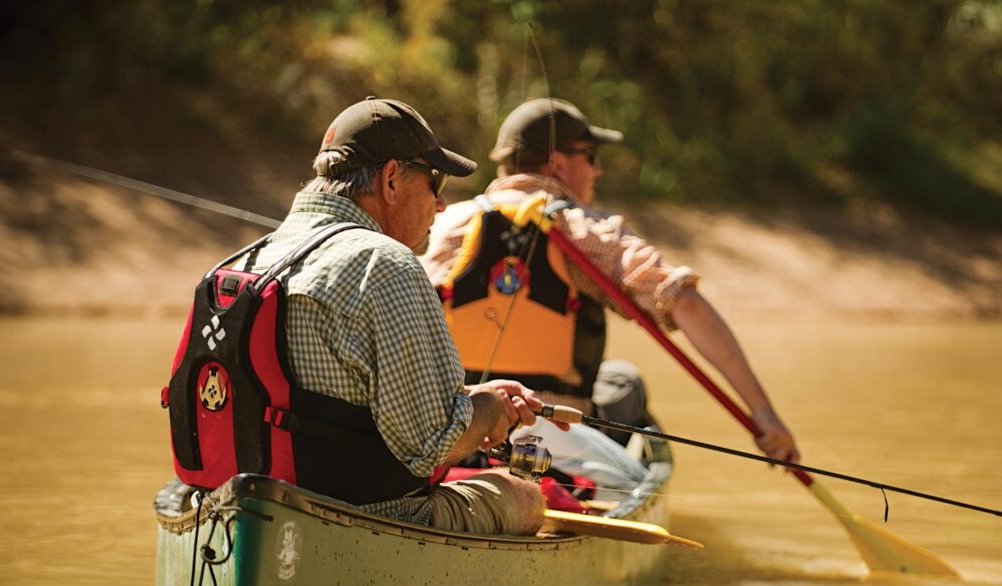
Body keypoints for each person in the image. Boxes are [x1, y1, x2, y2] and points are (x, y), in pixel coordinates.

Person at [233, 97, 568, 534]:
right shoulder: (387, 264)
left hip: (248, 507)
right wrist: (488, 409)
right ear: (391, 180)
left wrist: (474, 395)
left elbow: (334, 399)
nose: (442, 203)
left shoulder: (249, 258)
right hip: (367, 518)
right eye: (435, 181)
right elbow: (432, 447)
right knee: (524, 495)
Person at [422, 98, 799, 464]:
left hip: (462, 426)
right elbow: (684, 302)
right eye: (591, 157)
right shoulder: (586, 231)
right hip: (554, 431)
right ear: (558, 165)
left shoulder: (444, 224)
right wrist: (763, 413)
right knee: (625, 381)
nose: (598, 171)